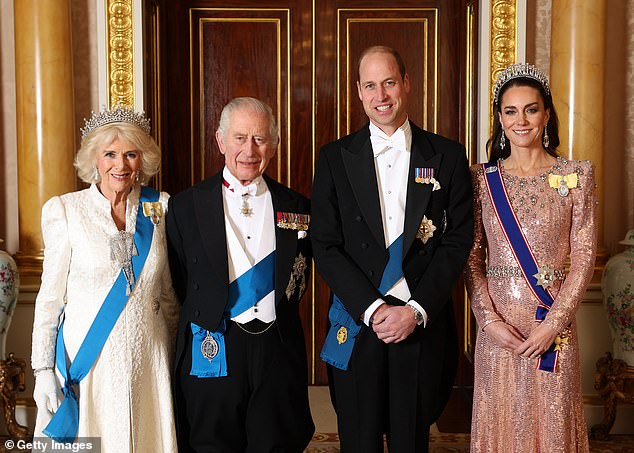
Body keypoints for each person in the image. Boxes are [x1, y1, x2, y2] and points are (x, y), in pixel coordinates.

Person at [311, 45, 474, 453]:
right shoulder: (333, 158)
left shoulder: (448, 156)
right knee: (358, 441)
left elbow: (457, 240)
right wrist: (374, 309)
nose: (380, 95)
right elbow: (325, 244)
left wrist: (416, 310)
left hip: (419, 320)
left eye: (388, 83)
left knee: (411, 441)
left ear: (406, 84)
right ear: (359, 92)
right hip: (359, 317)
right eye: (370, 86)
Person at [167, 97, 314, 452]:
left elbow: (300, 279)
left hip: (276, 348)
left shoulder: (299, 208)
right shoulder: (185, 205)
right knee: (211, 444)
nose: (249, 150)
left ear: (275, 145)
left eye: (260, 139)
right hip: (213, 343)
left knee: (275, 443)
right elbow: (178, 279)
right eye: (240, 138)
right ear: (220, 141)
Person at [31, 105, 179, 451]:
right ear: (93, 159)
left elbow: (168, 293)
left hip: (149, 360)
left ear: (143, 159)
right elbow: (50, 301)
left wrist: (173, 360)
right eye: (109, 154)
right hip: (90, 364)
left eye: (131, 154)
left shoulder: (160, 208)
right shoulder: (65, 210)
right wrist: (41, 371)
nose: (121, 164)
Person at [466, 63, 597, 452]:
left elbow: (585, 255)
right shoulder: (481, 179)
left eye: (531, 109)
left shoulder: (577, 174)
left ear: (546, 114)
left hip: (553, 331)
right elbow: (472, 259)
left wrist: (551, 326)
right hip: (499, 332)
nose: (520, 121)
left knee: (552, 425)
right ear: (499, 119)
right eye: (510, 111)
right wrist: (488, 322)